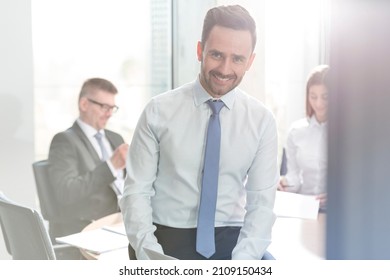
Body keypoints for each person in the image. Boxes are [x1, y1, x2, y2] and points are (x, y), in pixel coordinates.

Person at [120, 5, 278, 260]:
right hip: (166, 236)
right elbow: (135, 194)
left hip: (231, 238)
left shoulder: (262, 121)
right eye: (216, 55)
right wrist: (152, 258)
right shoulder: (158, 111)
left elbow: (261, 206)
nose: (225, 69)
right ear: (199, 51)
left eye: (237, 58)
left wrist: (240, 265)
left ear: (250, 61)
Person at [48, 77, 129, 239]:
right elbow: (66, 191)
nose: (109, 114)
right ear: (84, 104)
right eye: (104, 107)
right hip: (90, 228)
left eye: (113, 108)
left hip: (124, 222)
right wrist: (111, 166)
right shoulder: (64, 141)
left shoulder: (115, 138)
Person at [278, 65, 329, 209]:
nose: (318, 103)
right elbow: (294, 177)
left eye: (325, 96)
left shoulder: (348, 134)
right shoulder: (296, 132)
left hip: (336, 211)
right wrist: (284, 183)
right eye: (313, 96)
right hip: (304, 207)